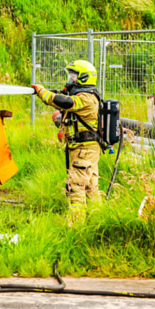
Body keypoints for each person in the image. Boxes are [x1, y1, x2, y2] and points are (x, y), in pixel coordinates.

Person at [31, 60, 103, 217]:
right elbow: (64, 101)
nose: (70, 79)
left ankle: (76, 227)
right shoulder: (86, 95)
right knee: (91, 188)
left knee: (76, 188)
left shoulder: (86, 98)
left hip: (84, 150)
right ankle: (98, 220)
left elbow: (65, 102)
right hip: (86, 149)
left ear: (84, 78)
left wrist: (42, 92)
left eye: (73, 76)